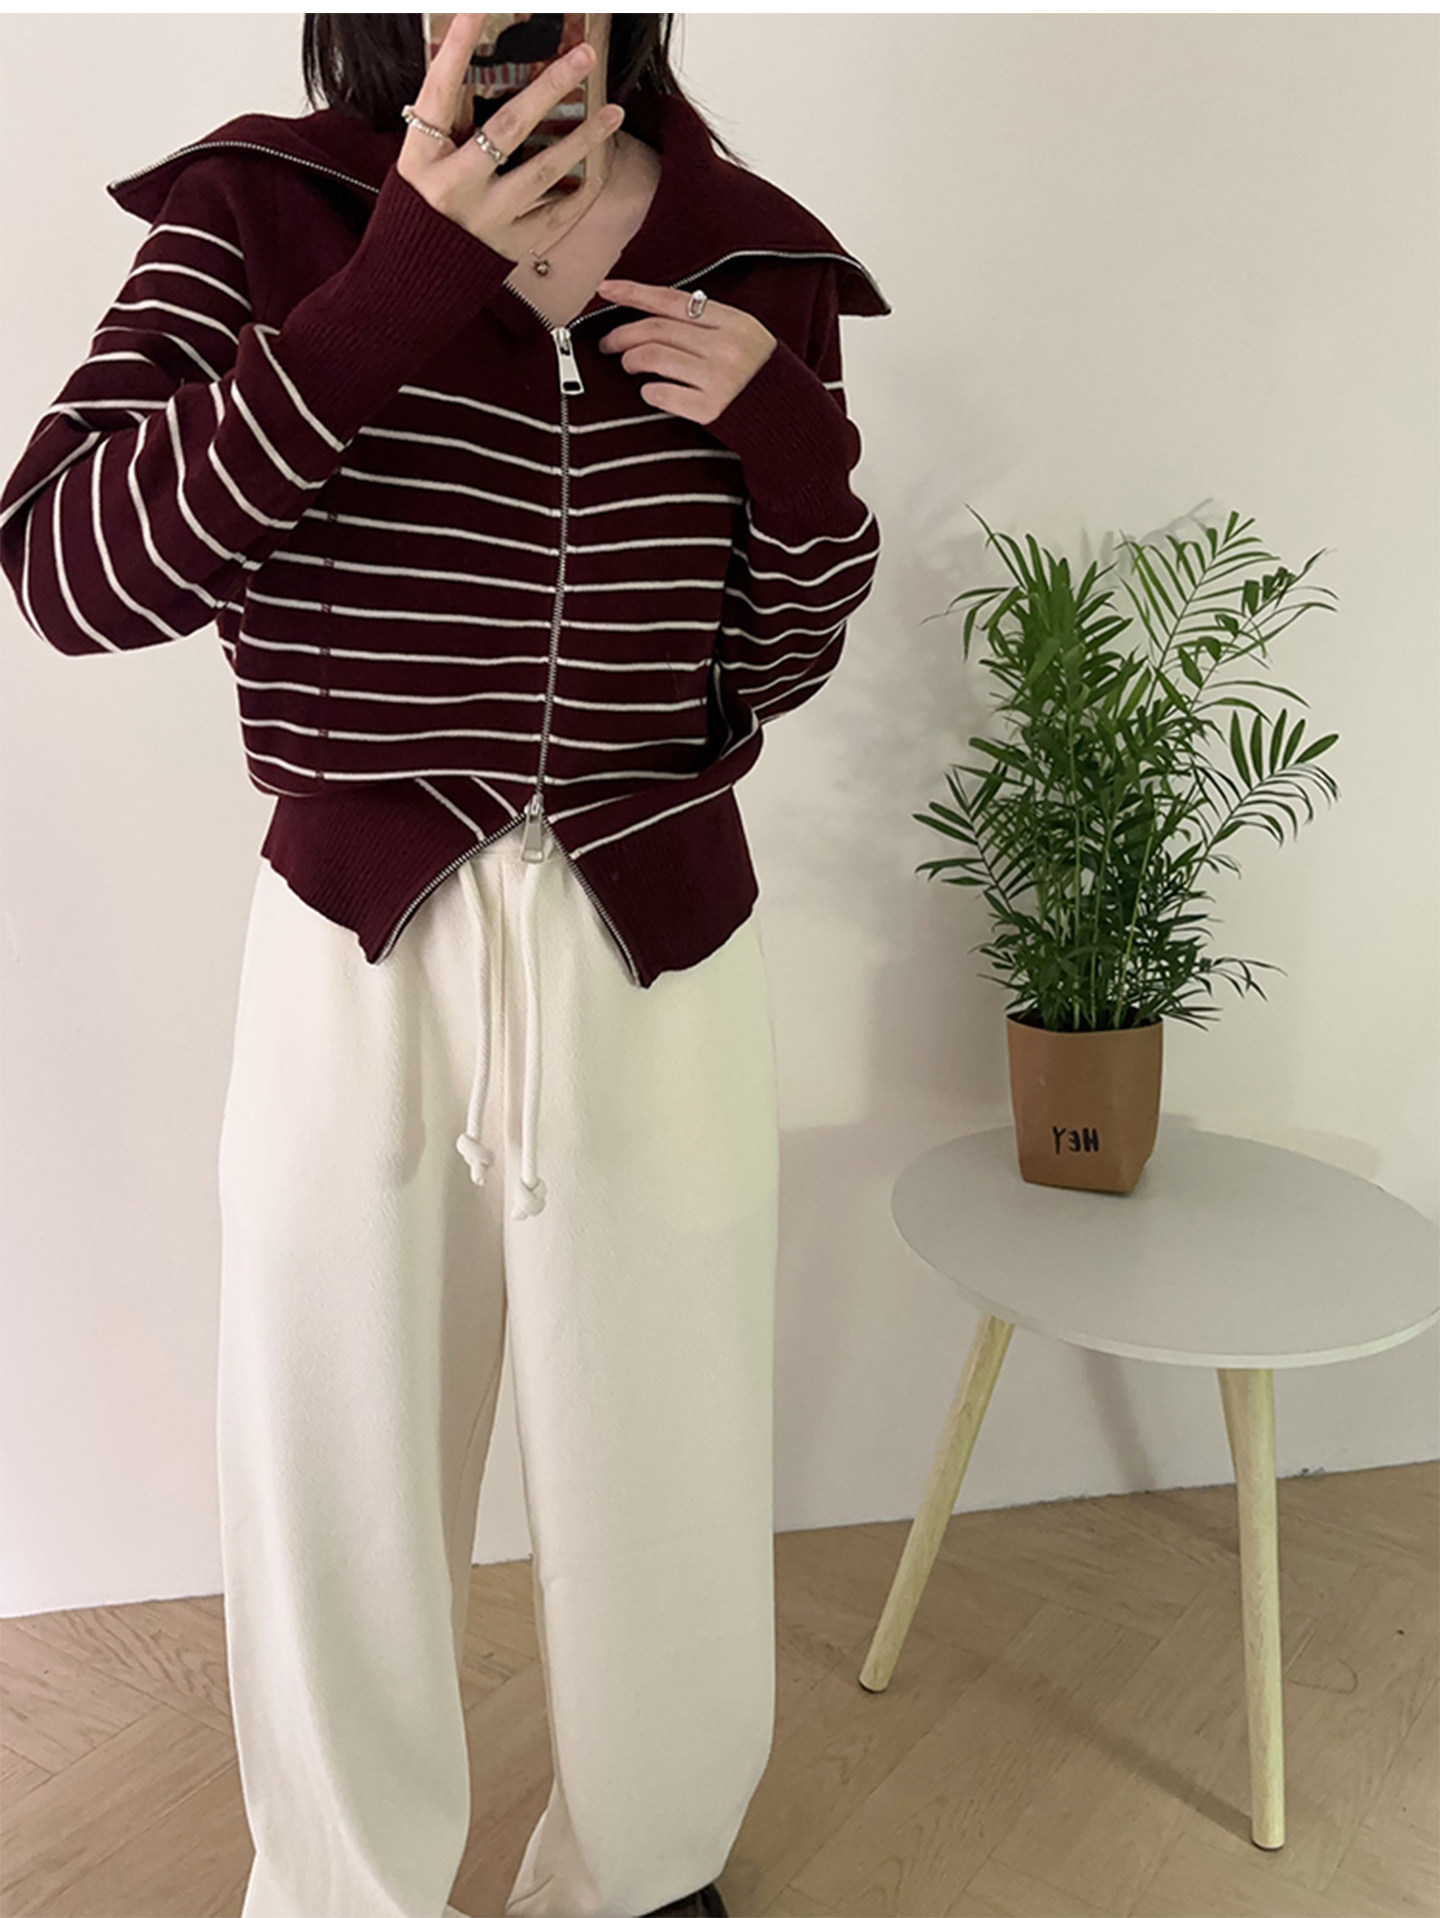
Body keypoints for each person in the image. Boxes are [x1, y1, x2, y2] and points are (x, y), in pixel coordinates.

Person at [0, 13, 890, 1916]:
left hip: (658, 948)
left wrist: (794, 446)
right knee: (339, 1465)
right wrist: (396, 280)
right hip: (361, 943)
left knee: (666, 1453)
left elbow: (782, 657)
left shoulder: (755, 253)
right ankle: (346, 1888)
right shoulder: (271, 208)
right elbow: (69, 569)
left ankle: (644, 1873)